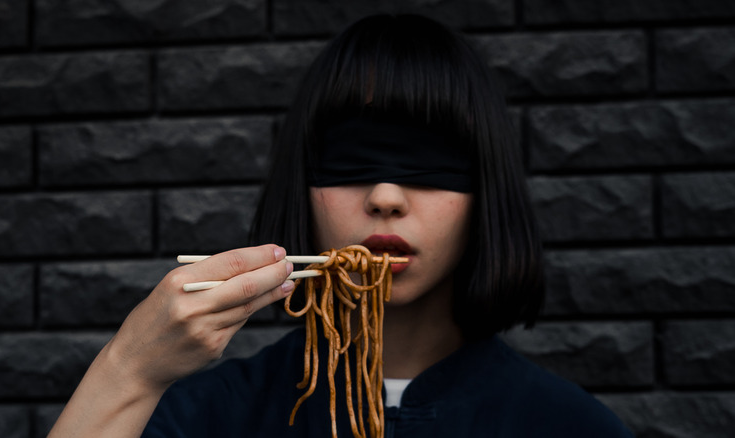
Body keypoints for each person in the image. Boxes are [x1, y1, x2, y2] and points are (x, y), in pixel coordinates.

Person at [48, 14, 633, 438]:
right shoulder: (209, 418)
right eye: (351, 159)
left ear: (485, 190)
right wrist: (128, 370)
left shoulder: (567, 427)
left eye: (430, 163)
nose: (384, 197)